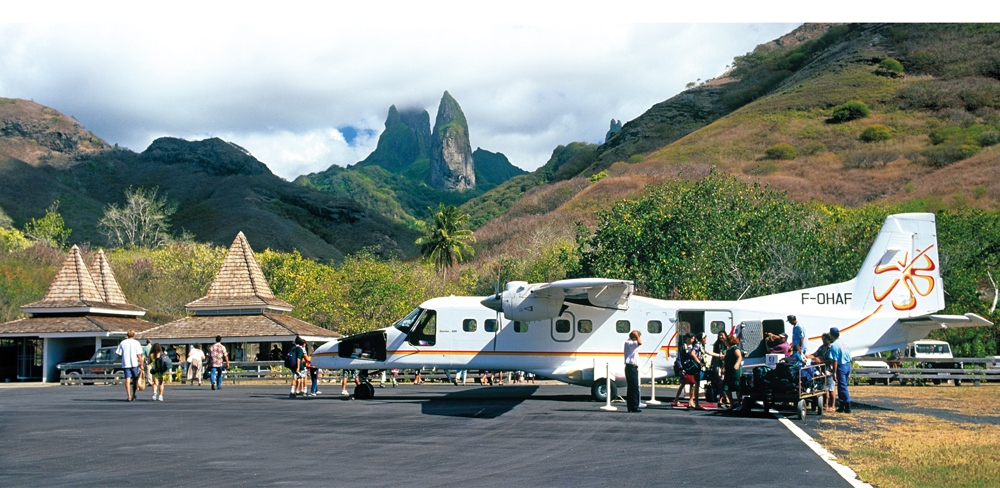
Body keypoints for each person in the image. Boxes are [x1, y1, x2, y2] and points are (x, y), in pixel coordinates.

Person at [808, 333, 837, 412]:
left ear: (829, 340)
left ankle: (833, 405)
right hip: (823, 371)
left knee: (831, 389)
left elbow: (831, 360)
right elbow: (815, 354)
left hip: (829, 371)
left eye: (824, 340)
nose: (823, 341)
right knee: (824, 389)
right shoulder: (822, 348)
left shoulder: (832, 348)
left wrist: (821, 361)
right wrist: (808, 356)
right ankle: (825, 405)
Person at [115, 330, 144, 402]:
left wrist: (123, 358)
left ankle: (129, 396)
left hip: (126, 363)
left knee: (127, 380)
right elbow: (139, 355)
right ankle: (134, 394)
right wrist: (141, 364)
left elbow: (119, 353)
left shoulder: (123, 342)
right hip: (134, 363)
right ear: (134, 335)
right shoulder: (136, 343)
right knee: (134, 380)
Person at [829, 327, 852, 413]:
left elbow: (834, 360)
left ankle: (847, 405)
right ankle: (842, 405)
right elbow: (849, 357)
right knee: (841, 386)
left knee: (843, 387)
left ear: (831, 335)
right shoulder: (844, 343)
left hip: (841, 366)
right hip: (847, 365)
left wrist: (834, 372)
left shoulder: (834, 345)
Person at [703, 331, 728, 407]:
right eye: (720, 335)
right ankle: (725, 398)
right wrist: (711, 364)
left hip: (726, 363)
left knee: (724, 381)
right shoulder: (717, 344)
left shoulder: (727, 344)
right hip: (718, 363)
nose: (721, 337)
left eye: (722, 335)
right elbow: (714, 355)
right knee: (720, 380)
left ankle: (721, 400)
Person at [722, 334, 743, 410]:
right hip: (728, 370)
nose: (725, 342)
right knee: (726, 387)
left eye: (726, 341)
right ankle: (732, 403)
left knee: (737, 387)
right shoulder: (727, 350)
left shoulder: (735, 348)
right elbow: (726, 360)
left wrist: (737, 364)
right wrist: (723, 368)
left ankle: (739, 404)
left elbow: (739, 357)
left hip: (735, 371)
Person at [624, 330, 642, 412]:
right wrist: (637, 335)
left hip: (632, 367)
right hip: (631, 367)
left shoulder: (630, 343)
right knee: (634, 387)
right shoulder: (629, 343)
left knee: (631, 388)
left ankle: (631, 406)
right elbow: (640, 343)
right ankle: (634, 406)